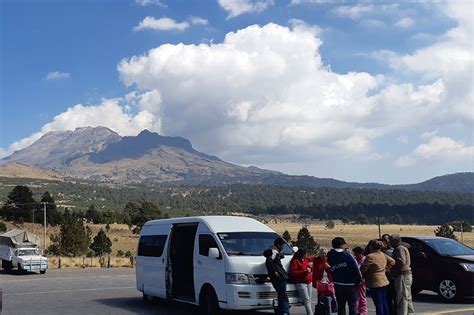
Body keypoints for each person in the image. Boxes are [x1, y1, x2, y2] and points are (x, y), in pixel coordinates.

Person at [327, 237, 361, 315]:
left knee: (341, 306)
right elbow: (356, 269)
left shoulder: (331, 255)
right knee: (352, 306)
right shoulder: (348, 255)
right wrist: (358, 281)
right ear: (341, 244)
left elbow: (331, 267)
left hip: (338, 284)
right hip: (350, 285)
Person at [361, 240, 395, 315]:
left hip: (374, 282)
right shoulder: (382, 254)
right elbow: (392, 261)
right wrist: (385, 269)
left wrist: (365, 274)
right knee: (384, 301)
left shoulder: (370, 256)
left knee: (378, 303)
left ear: (371, 247)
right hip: (384, 280)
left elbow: (363, 269)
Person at [389, 234, 414, 315]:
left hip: (402, 275)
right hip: (406, 275)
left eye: (391, 240)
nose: (389, 242)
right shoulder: (402, 247)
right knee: (407, 296)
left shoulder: (399, 249)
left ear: (396, 241)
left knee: (402, 297)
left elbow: (401, 261)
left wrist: (394, 270)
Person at [264, 237, 290, 315]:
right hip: (280, 277)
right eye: (282, 245)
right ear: (278, 245)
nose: (282, 247)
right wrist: (275, 271)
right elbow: (269, 261)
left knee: (281, 295)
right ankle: (285, 311)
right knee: (284, 295)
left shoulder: (273, 252)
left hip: (276, 278)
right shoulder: (274, 252)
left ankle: (279, 311)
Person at [289, 249, 313, 315]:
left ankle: (309, 313)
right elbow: (292, 273)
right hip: (301, 282)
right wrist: (304, 272)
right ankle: (310, 313)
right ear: (302, 254)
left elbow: (311, 264)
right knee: (306, 299)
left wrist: (310, 268)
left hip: (309, 281)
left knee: (309, 300)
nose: (306, 255)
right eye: (305, 254)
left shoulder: (306, 260)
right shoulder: (295, 261)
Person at [353, 246, 368, 315]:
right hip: (356, 281)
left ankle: (363, 312)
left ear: (360, 253)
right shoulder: (356, 260)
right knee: (356, 297)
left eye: (356, 254)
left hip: (362, 281)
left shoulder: (364, 260)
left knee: (362, 297)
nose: (355, 256)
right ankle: (358, 311)